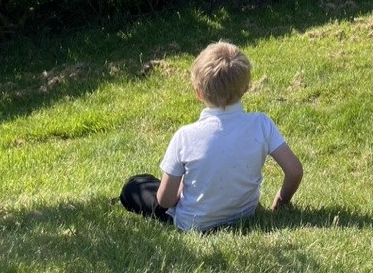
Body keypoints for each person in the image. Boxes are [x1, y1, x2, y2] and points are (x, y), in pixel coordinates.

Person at [120, 41, 303, 232]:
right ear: (246, 88)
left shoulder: (185, 136)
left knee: (134, 186)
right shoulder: (261, 124)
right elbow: (294, 170)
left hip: (193, 223)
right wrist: (281, 202)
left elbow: (165, 200)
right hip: (244, 214)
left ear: (198, 93)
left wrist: (182, 189)